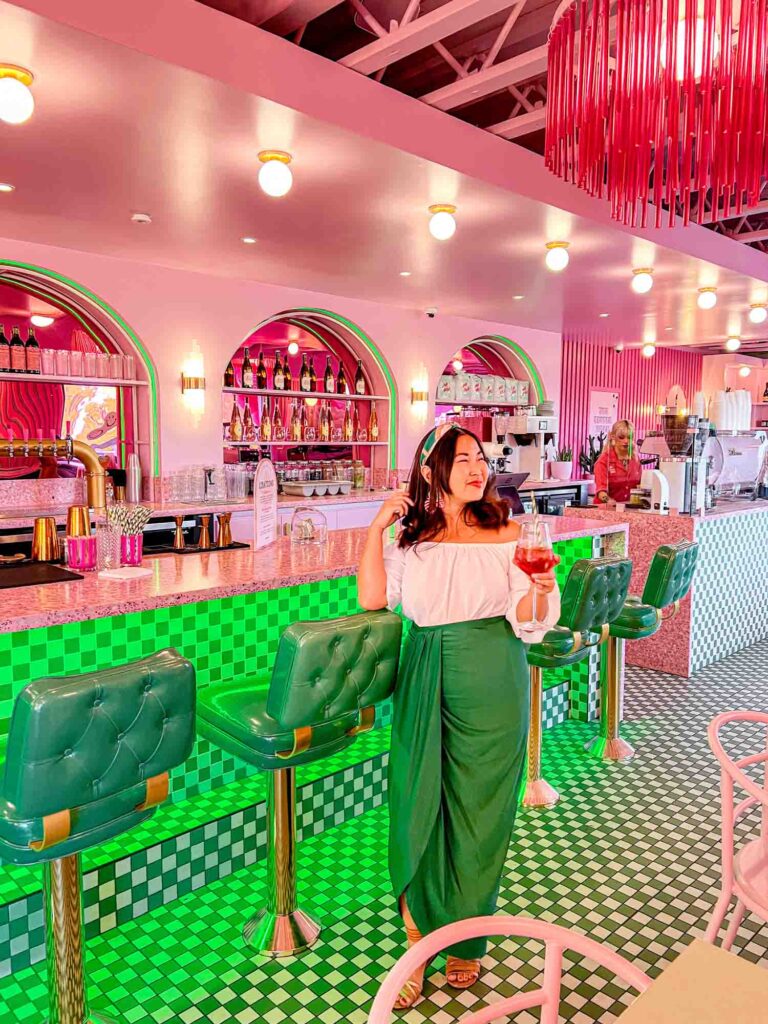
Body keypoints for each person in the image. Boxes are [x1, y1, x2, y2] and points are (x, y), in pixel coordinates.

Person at [358, 423, 561, 1009]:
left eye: (481, 457)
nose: (478, 467)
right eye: (462, 459)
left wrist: (541, 588)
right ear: (431, 472)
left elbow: (527, 616)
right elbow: (373, 598)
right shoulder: (410, 538)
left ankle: (467, 938)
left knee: (478, 812)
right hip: (424, 672)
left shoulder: (510, 532)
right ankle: (418, 937)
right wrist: (375, 528)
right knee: (418, 798)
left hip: (493, 672)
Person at [593, 419, 642, 504]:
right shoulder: (604, 461)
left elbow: (640, 486)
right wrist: (610, 501)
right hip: (605, 509)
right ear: (613, 437)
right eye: (621, 437)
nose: (626, 441)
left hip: (628, 508)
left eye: (629, 437)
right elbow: (601, 492)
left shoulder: (635, 459)